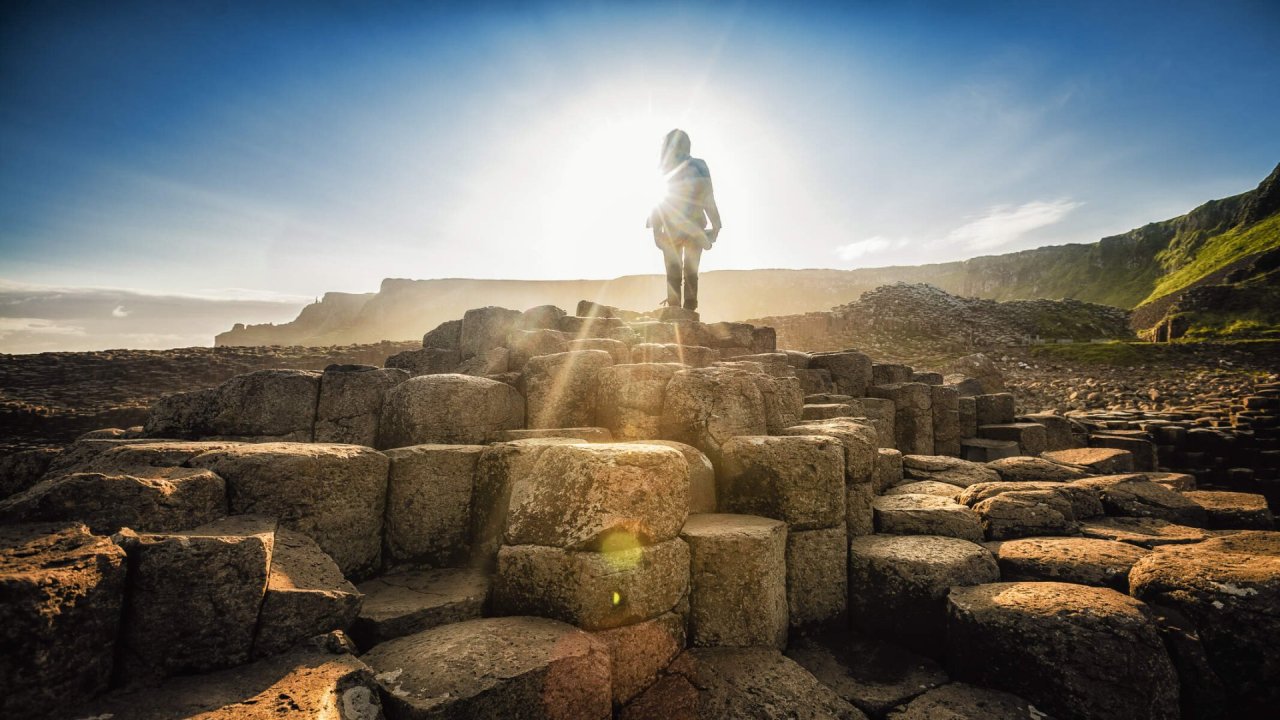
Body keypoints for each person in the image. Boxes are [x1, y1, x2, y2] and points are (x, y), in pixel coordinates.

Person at [647, 129, 721, 311]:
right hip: (694, 227)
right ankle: (688, 311)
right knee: (690, 271)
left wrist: (656, 230)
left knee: (674, 273)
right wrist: (716, 224)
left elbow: (658, 200)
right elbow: (707, 195)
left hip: (672, 228)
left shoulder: (664, 167)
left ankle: (676, 311)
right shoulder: (698, 165)